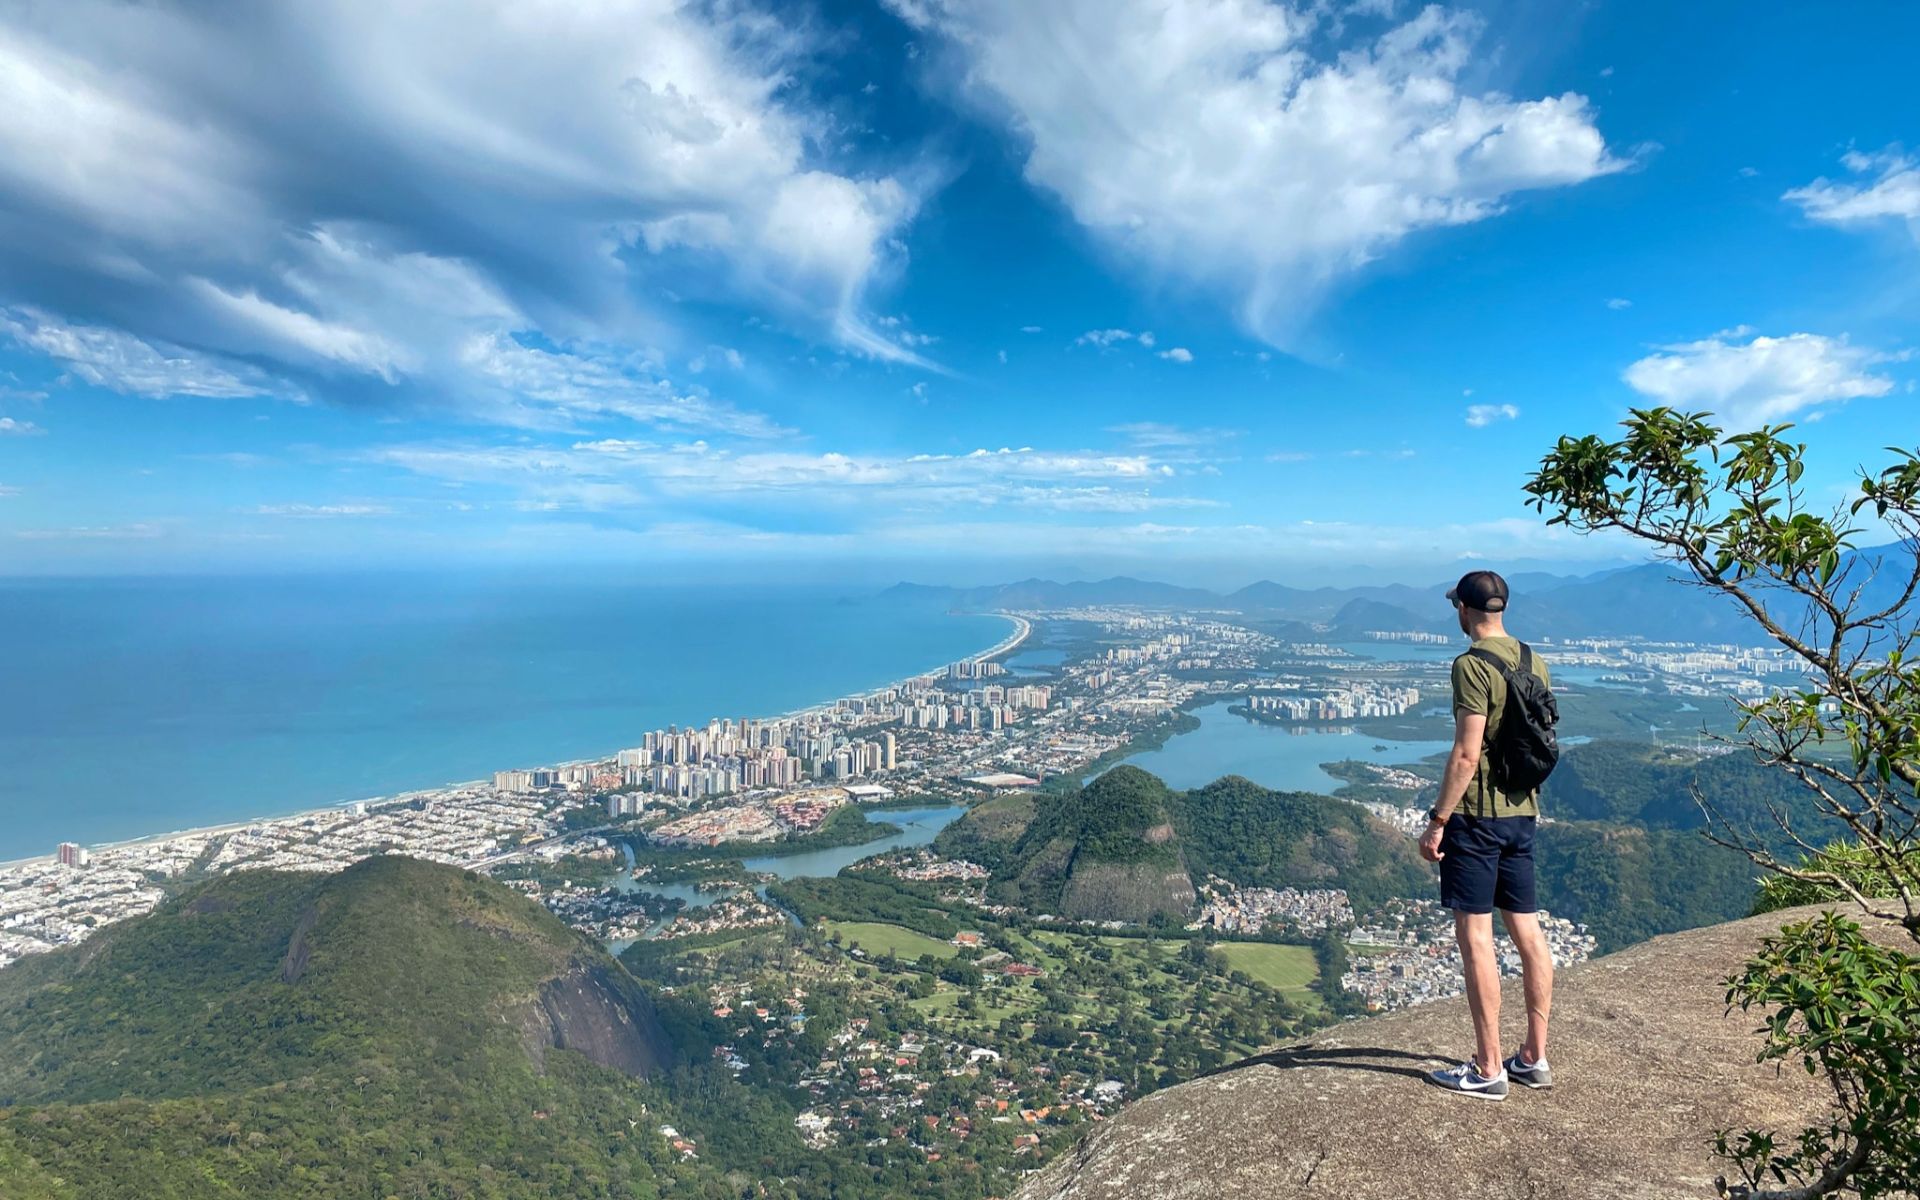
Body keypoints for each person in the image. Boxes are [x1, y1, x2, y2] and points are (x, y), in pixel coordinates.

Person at [1419, 569, 1557, 1101]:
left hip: (1476, 819)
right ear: (1502, 608)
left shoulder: (1471, 665)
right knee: (1528, 932)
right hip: (1523, 813)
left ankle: (1488, 1067)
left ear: (1463, 609)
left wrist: (1438, 820)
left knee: (1476, 936)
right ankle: (1534, 1057)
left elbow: (1466, 752)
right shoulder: (1532, 659)